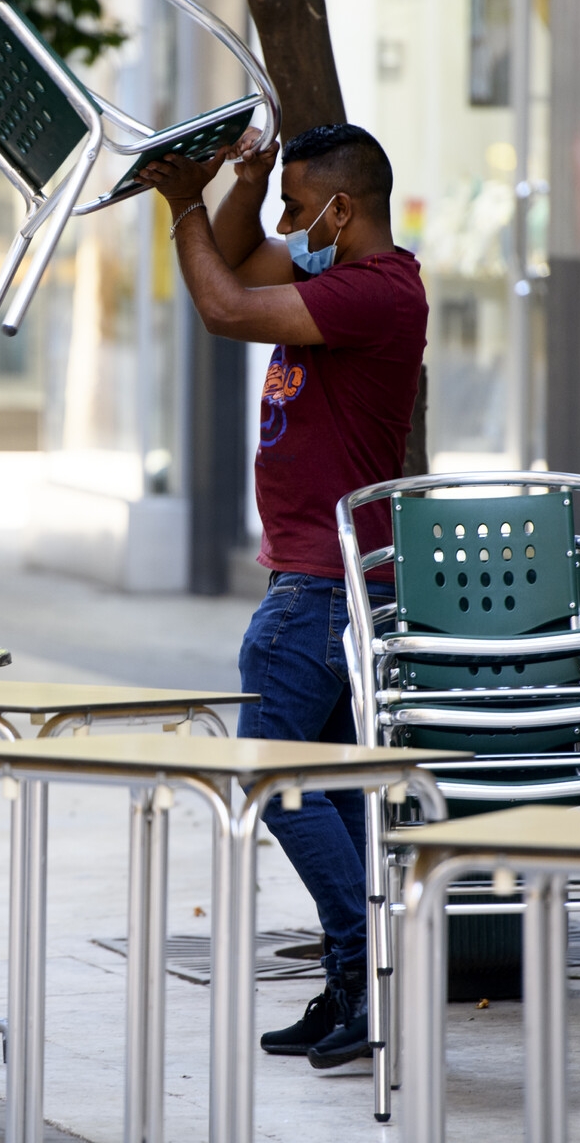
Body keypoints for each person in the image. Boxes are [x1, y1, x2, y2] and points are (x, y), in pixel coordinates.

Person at [140, 122, 425, 1069]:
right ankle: (360, 979)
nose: (289, 229)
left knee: (272, 777)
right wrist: (247, 186)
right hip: (329, 583)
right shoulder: (339, 276)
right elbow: (228, 263)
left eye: (300, 210)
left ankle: (366, 969)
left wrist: (183, 199)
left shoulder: (371, 293)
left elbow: (222, 306)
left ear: (343, 210)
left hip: (317, 589)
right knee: (330, 787)